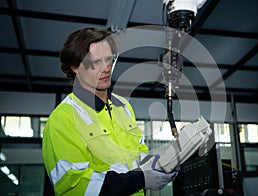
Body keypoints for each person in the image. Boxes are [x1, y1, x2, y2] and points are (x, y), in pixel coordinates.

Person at [42, 27, 177, 196]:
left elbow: (137, 155)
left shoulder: (123, 106)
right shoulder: (63, 118)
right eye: (95, 62)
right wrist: (140, 180)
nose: (106, 68)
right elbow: (74, 185)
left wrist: (168, 157)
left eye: (109, 59)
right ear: (75, 66)